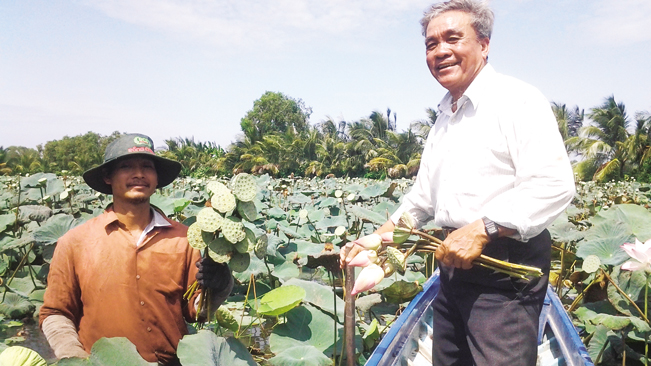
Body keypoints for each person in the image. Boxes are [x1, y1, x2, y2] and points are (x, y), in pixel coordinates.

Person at [341, 1, 575, 365]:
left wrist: (483, 228)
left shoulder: (516, 100)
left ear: (484, 44)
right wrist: (373, 241)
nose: (441, 51)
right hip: (450, 269)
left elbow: (554, 184)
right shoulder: (444, 118)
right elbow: (420, 204)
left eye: (453, 38)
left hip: (504, 275)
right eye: (431, 44)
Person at [40, 133, 233, 365]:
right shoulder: (74, 242)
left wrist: (219, 287)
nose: (139, 174)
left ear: (156, 177)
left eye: (147, 167)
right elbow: (55, 314)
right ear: (108, 176)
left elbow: (196, 311)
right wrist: (75, 357)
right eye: (126, 166)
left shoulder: (185, 238)